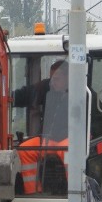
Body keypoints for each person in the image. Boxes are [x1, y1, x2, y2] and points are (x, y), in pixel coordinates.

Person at [16, 60, 69, 194]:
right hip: (49, 139)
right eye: (51, 78)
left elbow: (99, 119)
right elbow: (27, 93)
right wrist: (9, 97)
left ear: (68, 78)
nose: (52, 82)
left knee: (67, 152)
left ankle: (71, 193)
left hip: (70, 139)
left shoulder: (82, 94)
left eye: (56, 79)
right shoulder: (47, 88)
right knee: (25, 150)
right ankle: (34, 193)